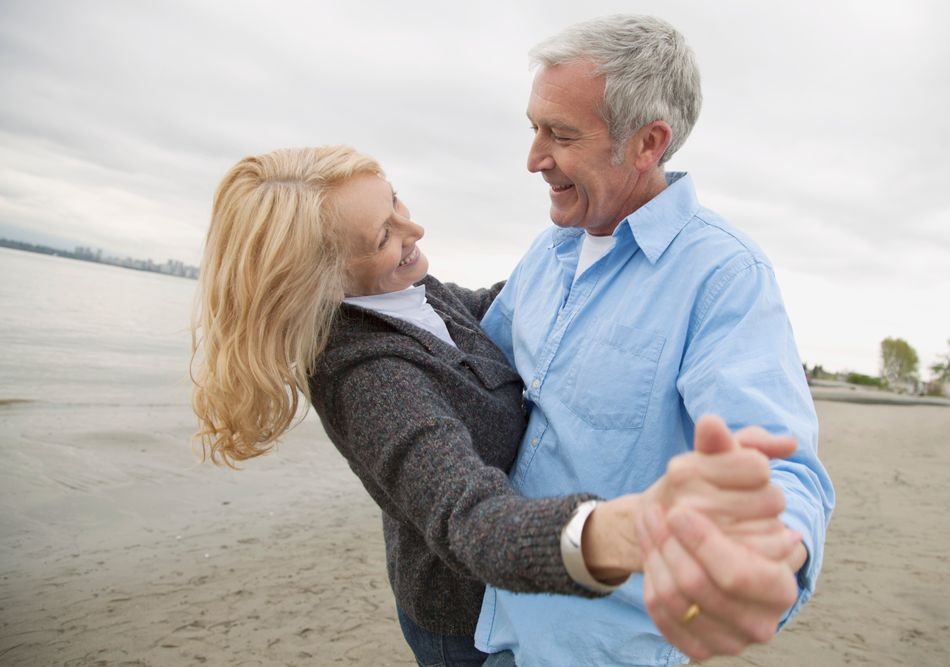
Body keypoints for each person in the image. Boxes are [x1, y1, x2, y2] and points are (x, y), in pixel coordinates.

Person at [190, 146, 801, 666]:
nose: (414, 231)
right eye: (385, 236)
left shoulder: (408, 293)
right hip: (464, 618)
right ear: (322, 280)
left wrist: (629, 281)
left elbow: (495, 311)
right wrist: (619, 533)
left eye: (397, 203)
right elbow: (470, 520)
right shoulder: (368, 376)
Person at [472, 14, 836, 666]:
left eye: (560, 134)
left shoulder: (723, 276)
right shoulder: (546, 253)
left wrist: (764, 555)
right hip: (494, 627)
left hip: (602, 649)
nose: (533, 159)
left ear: (648, 143)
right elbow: (481, 374)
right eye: (534, 127)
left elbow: (780, 469)